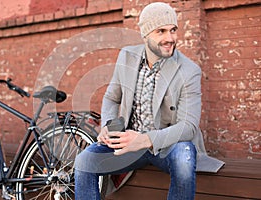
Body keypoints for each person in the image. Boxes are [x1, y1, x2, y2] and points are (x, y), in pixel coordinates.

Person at [74, 2, 224, 200]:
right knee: (84, 161)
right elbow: (111, 97)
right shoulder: (127, 57)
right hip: (128, 144)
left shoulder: (189, 71)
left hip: (168, 146)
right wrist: (108, 126)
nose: (169, 38)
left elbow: (188, 127)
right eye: (160, 31)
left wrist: (145, 140)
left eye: (173, 30)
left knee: (184, 157)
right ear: (145, 34)